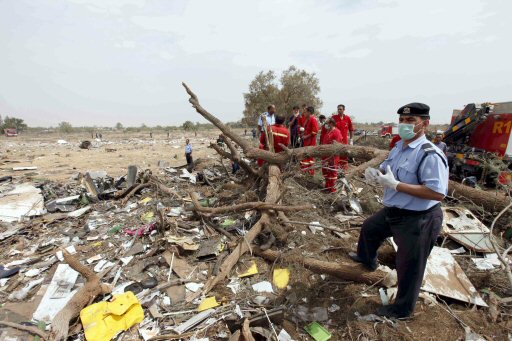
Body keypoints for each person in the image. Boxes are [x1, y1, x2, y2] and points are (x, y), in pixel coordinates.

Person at [349, 102, 448, 319]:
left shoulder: (429, 154)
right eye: (402, 120)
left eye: (411, 121)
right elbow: (389, 171)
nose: (404, 124)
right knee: (370, 227)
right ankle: (368, 260)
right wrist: (377, 174)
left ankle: (402, 310)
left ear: (425, 124)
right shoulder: (399, 147)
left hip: (418, 218)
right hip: (394, 210)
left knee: (409, 266)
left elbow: (437, 193)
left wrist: (396, 185)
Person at [321, 117, 343, 192]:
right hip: (325, 156)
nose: (325, 125)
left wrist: (330, 158)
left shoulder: (337, 132)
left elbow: (337, 146)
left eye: (327, 123)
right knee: (326, 172)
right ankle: (327, 187)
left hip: (332, 157)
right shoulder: (328, 131)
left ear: (331, 123)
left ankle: (332, 190)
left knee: (332, 173)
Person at [332, 104, 354, 170]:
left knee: (344, 155)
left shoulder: (347, 118)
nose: (339, 110)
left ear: (344, 110)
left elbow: (351, 129)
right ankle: (336, 171)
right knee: (336, 155)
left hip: (345, 141)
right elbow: (329, 127)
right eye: (338, 109)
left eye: (340, 109)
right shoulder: (334, 118)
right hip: (336, 141)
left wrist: (351, 139)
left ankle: (344, 171)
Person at [300, 106, 319, 175]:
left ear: (309, 112)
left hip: (310, 142)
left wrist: (306, 136)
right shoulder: (308, 119)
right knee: (305, 157)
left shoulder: (313, 119)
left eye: (305, 112)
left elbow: (315, 131)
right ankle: (305, 172)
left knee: (309, 157)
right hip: (306, 142)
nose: (304, 113)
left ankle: (310, 173)